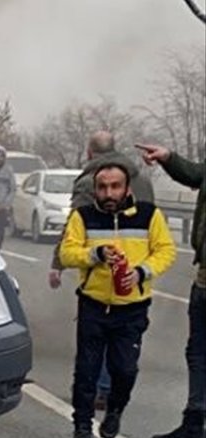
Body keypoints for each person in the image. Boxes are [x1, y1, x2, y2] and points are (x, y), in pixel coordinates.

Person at [58, 162, 177, 438]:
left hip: (132, 308)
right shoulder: (83, 217)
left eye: (115, 186)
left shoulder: (149, 215)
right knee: (86, 371)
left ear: (126, 188)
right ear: (95, 189)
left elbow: (166, 250)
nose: (108, 192)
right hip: (93, 305)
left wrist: (141, 272)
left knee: (124, 370)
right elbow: (67, 252)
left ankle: (115, 410)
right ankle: (82, 429)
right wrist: (95, 254)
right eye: (102, 187)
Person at [47, 131, 157, 409]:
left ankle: (99, 388)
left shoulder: (91, 182)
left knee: (98, 328)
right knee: (124, 331)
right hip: (136, 264)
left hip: (101, 260)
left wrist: (58, 262)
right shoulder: (139, 179)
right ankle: (111, 386)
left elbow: (76, 222)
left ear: (89, 152)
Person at [137, 142, 205, 438]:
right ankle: (193, 424)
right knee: (197, 352)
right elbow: (195, 173)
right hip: (204, 277)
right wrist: (168, 159)